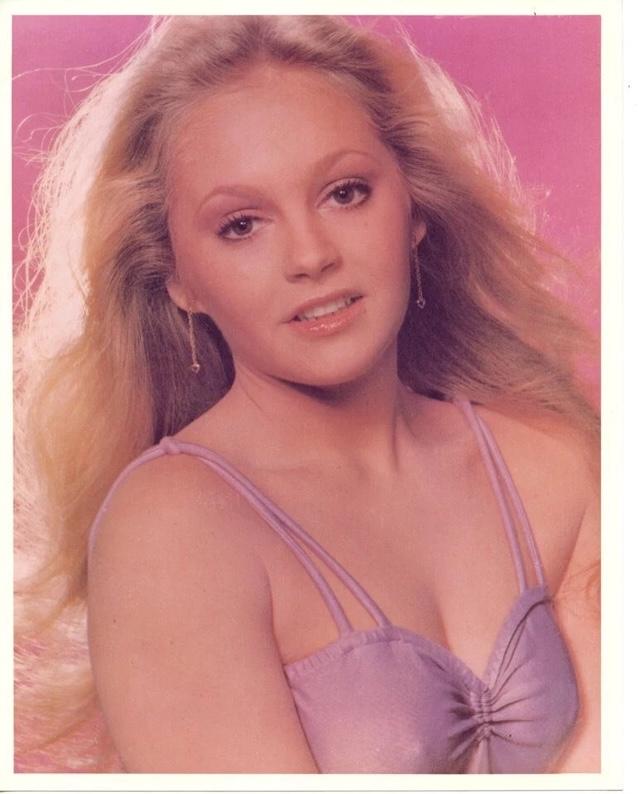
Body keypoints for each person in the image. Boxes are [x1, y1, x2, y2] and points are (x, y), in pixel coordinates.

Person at [14, 15, 600, 774]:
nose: (311, 255)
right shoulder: (174, 529)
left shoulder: (552, 460)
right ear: (178, 278)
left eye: (345, 193)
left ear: (415, 207)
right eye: (241, 225)